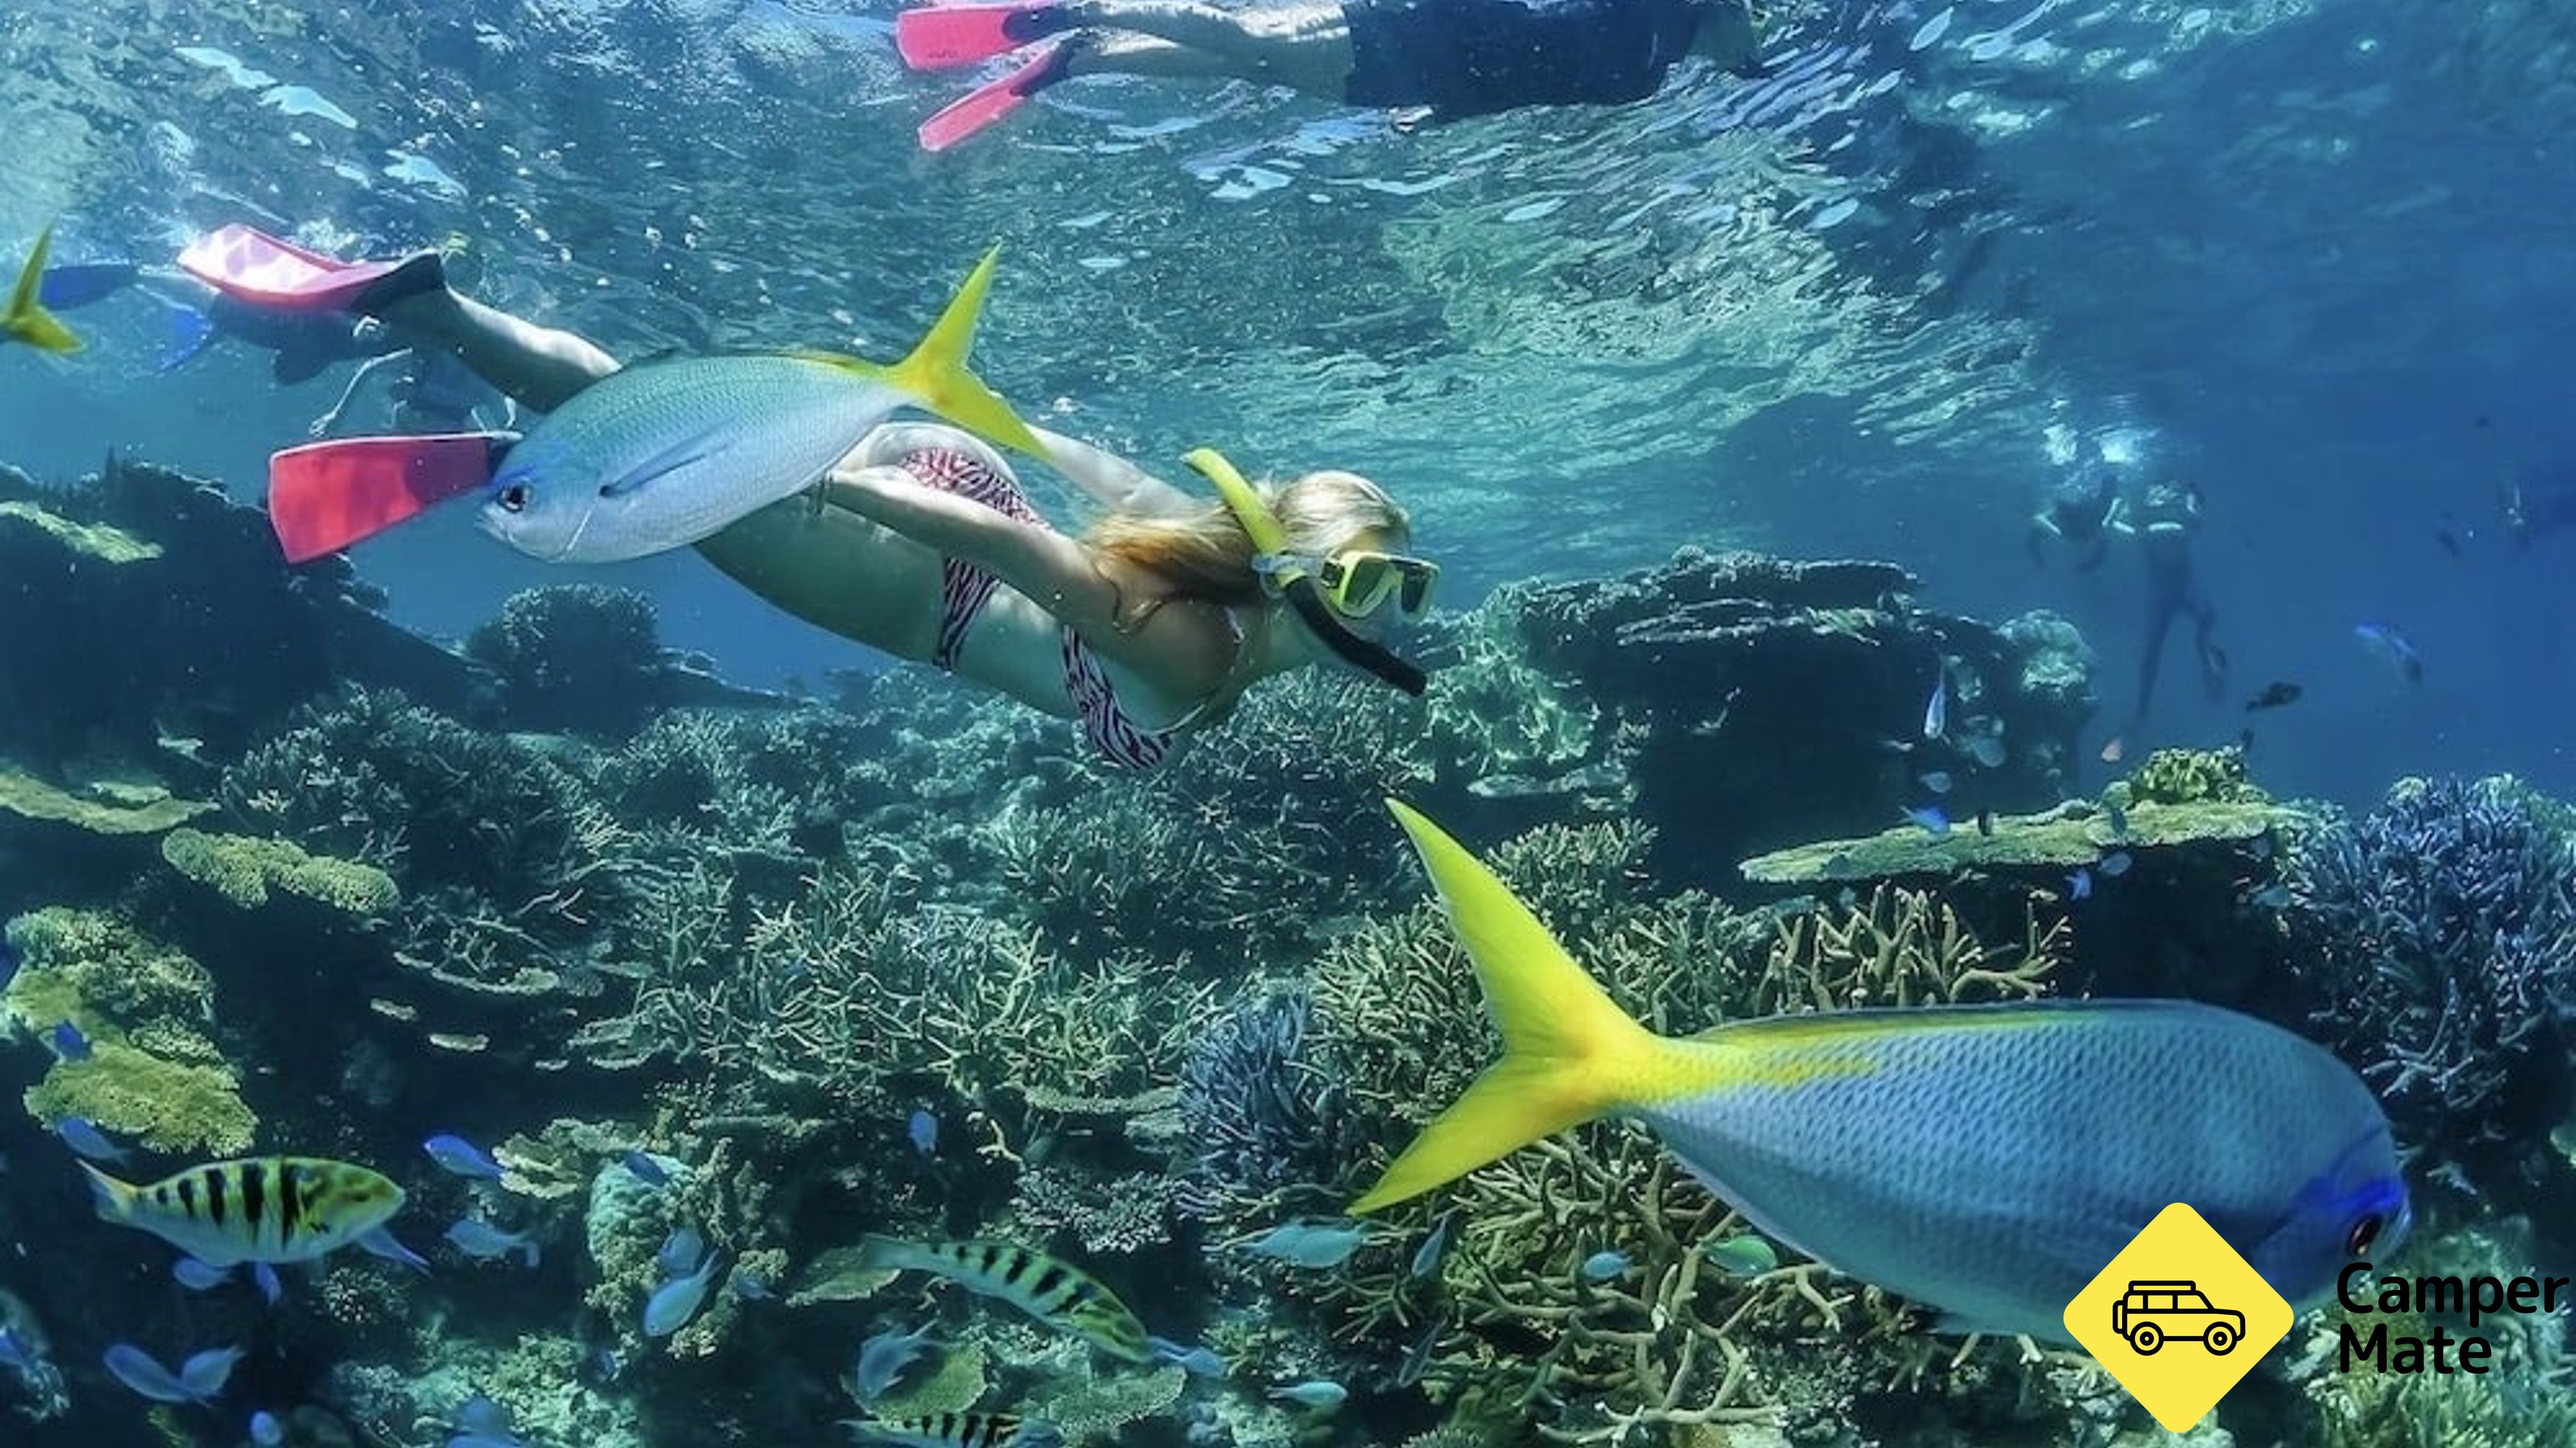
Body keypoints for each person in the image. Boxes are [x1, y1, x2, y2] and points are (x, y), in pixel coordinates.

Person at [328, 250, 1440, 770]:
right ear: (1292, 576)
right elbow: (1024, 552)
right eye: (1364, 583)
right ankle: (434, 314)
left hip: (953, 482)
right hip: (922, 586)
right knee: (643, 447)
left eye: (1406, 586)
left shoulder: (1220, 585)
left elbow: (1116, 486)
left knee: (650, 424)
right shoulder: (1202, 656)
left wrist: (987, 423)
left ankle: (441, 342)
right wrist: (829, 483)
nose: (1390, 618)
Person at [895, 0, 1769, 150]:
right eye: (1753, 31)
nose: (1745, 53)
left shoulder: (1644, 81)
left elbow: (1531, 91)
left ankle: (1081, 60)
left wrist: (1443, 116)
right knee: (1252, 38)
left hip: (1420, 77)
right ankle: (1075, 13)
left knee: (1255, 62)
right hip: (1429, 24)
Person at [307, 235, 516, 437]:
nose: (462, 275)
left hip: (440, 416)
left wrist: (338, 415)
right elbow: (370, 367)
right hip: (427, 415)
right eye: (455, 265)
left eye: (470, 273)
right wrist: (338, 415)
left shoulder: (478, 377)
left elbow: (504, 412)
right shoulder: (426, 355)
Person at [2114, 477, 2226, 737]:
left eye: (2167, 491)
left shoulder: (2178, 510)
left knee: (2208, 617)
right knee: (2151, 653)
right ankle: (2142, 710)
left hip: (2183, 588)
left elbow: (2196, 522)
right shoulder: (2140, 514)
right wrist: (2129, 515)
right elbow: (2113, 524)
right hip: (2161, 594)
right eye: (2158, 490)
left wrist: (2188, 502)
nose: (2162, 495)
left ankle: (2204, 651)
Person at [2025, 459, 2122, 571]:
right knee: (2036, 534)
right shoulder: (2096, 504)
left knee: (2036, 534)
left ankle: (2041, 561)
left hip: (2076, 528)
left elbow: (2103, 530)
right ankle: (2040, 561)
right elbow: (2041, 519)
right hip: (2074, 526)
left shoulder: (2102, 505)